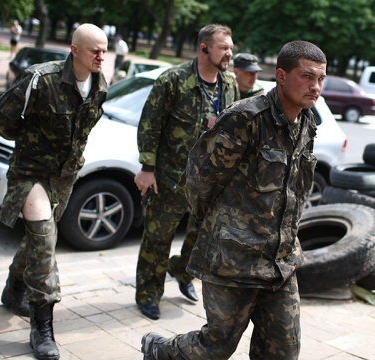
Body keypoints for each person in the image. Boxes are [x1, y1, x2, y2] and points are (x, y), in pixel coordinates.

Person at [141, 40, 326, 360]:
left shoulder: (307, 122)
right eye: (307, 77)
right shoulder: (246, 118)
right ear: (281, 76)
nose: (316, 87)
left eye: (321, 79)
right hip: (234, 259)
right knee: (216, 346)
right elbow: (200, 178)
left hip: (280, 263)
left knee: (283, 351)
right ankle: (160, 351)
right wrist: (221, 228)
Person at [0, 23, 108, 360]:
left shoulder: (101, 85)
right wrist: (32, 145)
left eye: (104, 49)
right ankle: (43, 328)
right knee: (45, 239)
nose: (101, 56)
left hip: (64, 177)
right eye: (94, 50)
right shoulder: (40, 79)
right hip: (31, 173)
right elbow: (3, 120)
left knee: (36, 240)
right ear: (74, 50)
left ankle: (14, 291)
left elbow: (83, 131)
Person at [133, 24, 238, 321]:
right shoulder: (174, 80)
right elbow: (150, 125)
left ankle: (182, 272)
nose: (229, 53)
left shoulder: (229, 84)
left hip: (210, 181)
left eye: (231, 47)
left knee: (202, 238)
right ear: (204, 48)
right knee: (158, 239)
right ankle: (148, 295)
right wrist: (147, 168)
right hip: (170, 177)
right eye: (223, 47)